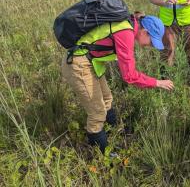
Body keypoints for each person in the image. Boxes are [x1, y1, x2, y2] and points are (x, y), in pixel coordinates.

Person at [61, 12, 174, 153]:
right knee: (97, 113)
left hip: (90, 61)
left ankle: (114, 131)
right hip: (79, 64)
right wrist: (157, 82)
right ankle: (104, 154)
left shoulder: (129, 25)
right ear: (145, 32)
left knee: (107, 98)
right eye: (151, 41)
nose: (149, 46)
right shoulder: (126, 34)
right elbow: (130, 76)